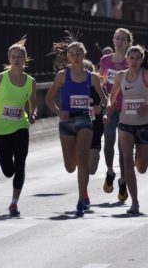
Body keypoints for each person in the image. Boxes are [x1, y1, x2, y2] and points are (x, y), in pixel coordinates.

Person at [45, 41, 107, 217]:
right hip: (67, 121)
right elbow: (49, 99)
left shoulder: (92, 77)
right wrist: (58, 112)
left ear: (84, 55)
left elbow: (105, 99)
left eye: (79, 52)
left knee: (82, 157)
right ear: (68, 57)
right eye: (72, 53)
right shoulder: (62, 76)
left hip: (84, 119)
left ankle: (81, 200)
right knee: (70, 166)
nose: (76, 56)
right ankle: (82, 193)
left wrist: (99, 108)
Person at [0, 38, 37, 217]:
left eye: (20, 57)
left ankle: (14, 203)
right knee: (8, 170)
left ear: (25, 59)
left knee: (20, 164)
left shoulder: (30, 81)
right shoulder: (0, 79)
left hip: (20, 126)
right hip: (1, 129)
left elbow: (33, 104)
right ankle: (9, 174)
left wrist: (33, 114)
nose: (16, 60)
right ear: (9, 59)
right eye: (13, 57)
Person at [107, 46, 148, 215]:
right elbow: (112, 95)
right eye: (131, 58)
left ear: (141, 60)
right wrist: (111, 105)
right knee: (127, 162)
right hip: (125, 123)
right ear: (127, 59)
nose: (134, 61)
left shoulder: (147, 75)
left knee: (142, 168)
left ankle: (136, 159)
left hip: (145, 124)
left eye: (137, 58)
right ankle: (134, 202)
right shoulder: (120, 76)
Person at [99, 28, 132, 199]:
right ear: (113, 40)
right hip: (110, 107)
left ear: (128, 43)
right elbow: (101, 83)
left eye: (123, 39)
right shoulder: (105, 60)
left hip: (126, 109)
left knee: (123, 147)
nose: (119, 41)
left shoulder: (131, 62)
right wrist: (104, 101)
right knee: (109, 139)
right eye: (117, 38)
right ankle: (110, 171)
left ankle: (123, 181)